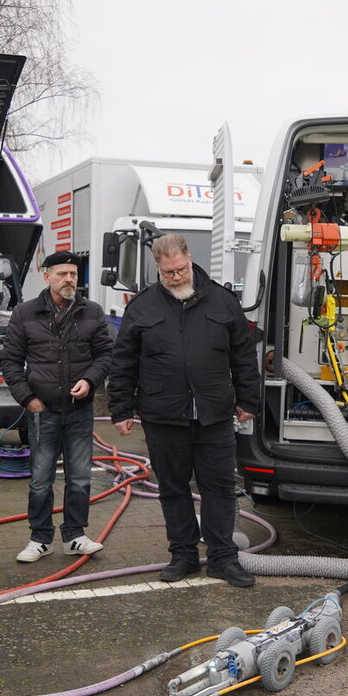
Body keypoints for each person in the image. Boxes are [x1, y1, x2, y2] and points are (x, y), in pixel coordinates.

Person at [108, 235, 260, 587]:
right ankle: (183, 555)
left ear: (190, 259)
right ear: (157, 269)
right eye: (168, 273)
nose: (176, 277)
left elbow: (242, 355)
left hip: (215, 414)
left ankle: (223, 557)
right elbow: (123, 363)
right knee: (172, 488)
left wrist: (248, 401)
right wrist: (121, 409)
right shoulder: (143, 307)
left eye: (181, 269)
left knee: (219, 488)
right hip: (163, 415)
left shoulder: (223, 301)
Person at [0, 250, 113, 561]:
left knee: (79, 477)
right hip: (42, 411)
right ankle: (40, 538)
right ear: (47, 276)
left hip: (79, 411)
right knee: (40, 479)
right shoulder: (25, 314)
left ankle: (75, 535)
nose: (69, 279)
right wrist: (29, 399)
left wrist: (89, 381)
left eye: (73, 274)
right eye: (62, 274)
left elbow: (105, 355)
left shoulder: (92, 312)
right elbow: (9, 362)